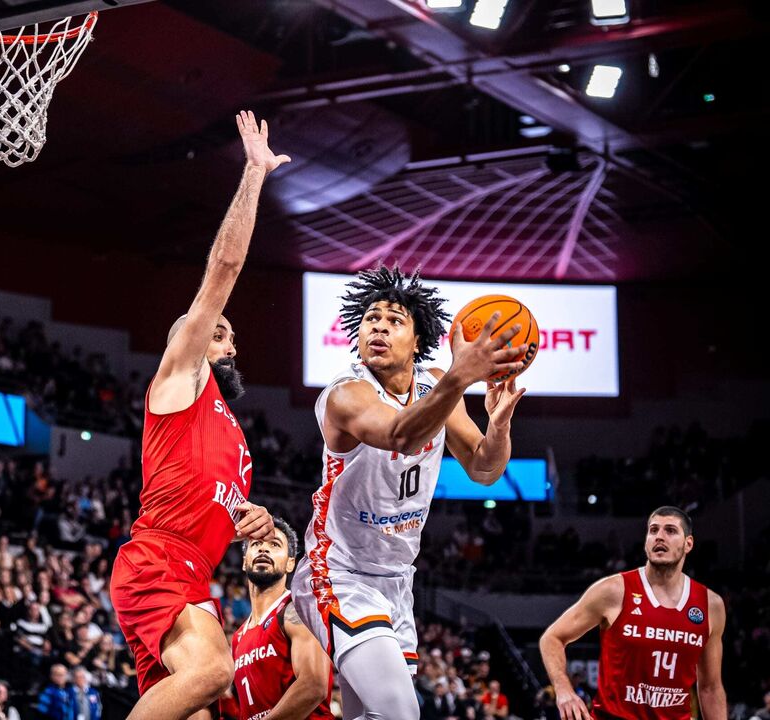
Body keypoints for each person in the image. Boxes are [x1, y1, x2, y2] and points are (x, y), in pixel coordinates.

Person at [109, 110, 287, 720]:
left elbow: (212, 506)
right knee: (214, 671)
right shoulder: (181, 377)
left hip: (194, 571)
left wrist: (250, 518)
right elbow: (225, 270)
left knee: (201, 708)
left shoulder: (233, 434)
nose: (225, 340)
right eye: (214, 330)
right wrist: (254, 173)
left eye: (227, 334)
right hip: (158, 560)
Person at [290, 267, 528, 720]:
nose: (378, 327)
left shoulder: (434, 384)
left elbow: (484, 469)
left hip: (398, 580)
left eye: (394, 320)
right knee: (401, 712)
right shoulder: (346, 394)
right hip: (338, 571)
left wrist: (498, 426)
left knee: (369, 715)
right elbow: (400, 435)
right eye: (371, 319)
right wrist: (458, 377)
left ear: (419, 341)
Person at [540, 506, 727, 720]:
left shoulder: (710, 605)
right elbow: (552, 638)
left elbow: (710, 688)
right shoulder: (613, 590)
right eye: (653, 530)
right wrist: (563, 689)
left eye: (670, 530)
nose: (659, 536)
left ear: (688, 543)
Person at [231, 517, 333, 719]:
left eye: (275, 544)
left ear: (290, 563)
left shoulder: (296, 611)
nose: (263, 549)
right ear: (244, 562)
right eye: (256, 544)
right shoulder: (238, 637)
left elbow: (313, 686)